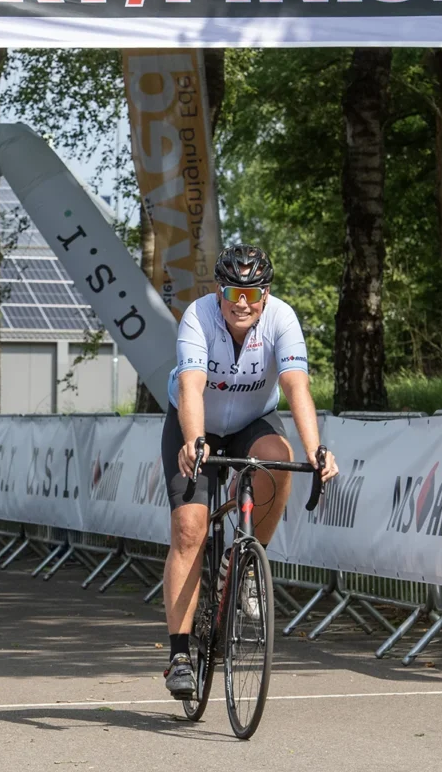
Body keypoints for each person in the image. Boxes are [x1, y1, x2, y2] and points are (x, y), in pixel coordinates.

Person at [160, 244, 339, 698]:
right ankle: (179, 654)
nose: (242, 303)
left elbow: (296, 385)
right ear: (218, 291)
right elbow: (192, 386)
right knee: (189, 529)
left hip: (251, 422)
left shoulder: (282, 318)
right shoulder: (198, 317)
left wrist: (315, 450)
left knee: (278, 459)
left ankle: (245, 563)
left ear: (266, 294)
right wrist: (194, 441)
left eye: (252, 293)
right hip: (195, 420)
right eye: (233, 293)